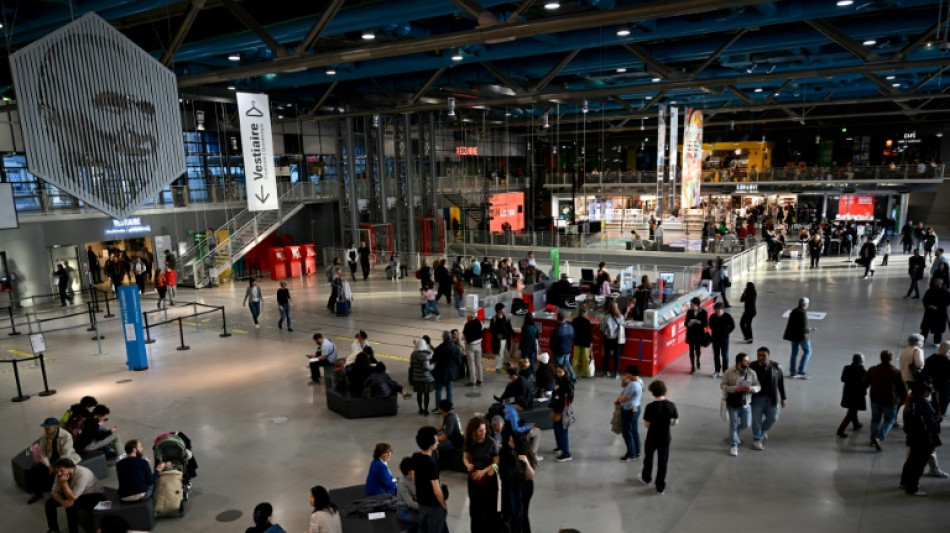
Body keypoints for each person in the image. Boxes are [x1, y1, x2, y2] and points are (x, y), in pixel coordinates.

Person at [900, 381, 942, 496]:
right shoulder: (924, 405)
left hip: (913, 436)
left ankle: (904, 482)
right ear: (924, 392)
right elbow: (930, 424)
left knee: (911, 461)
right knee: (919, 464)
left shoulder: (910, 401)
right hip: (923, 438)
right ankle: (912, 488)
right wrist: (938, 420)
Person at [638, 380, 679, 494]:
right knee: (663, 461)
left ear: (652, 392)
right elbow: (676, 421)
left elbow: (646, 424)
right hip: (665, 437)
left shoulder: (650, 407)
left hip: (652, 436)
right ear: (664, 391)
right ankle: (660, 486)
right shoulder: (671, 405)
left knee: (649, 457)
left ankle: (646, 478)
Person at [30, 417, 82, 504]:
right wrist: (48, 465)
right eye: (45, 428)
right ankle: (38, 494)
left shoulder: (66, 436)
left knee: (62, 472)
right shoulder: (44, 436)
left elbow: (66, 454)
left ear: (55, 427)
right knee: (35, 469)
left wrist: (55, 467)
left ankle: (62, 494)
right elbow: (42, 453)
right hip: (51, 460)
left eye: (48, 428)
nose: (46, 430)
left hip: (65, 459)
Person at [45, 458, 105, 533]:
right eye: (57, 471)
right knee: (49, 503)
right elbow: (54, 492)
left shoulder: (82, 473)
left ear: (70, 467)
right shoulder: (60, 474)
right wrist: (62, 501)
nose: (59, 474)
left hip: (92, 494)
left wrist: (63, 483)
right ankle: (54, 529)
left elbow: (72, 498)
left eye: (61, 470)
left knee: (70, 506)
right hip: (72, 491)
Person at [865, 349, 907, 451]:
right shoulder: (895, 371)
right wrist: (903, 398)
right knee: (889, 420)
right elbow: (903, 387)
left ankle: (872, 439)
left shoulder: (872, 369)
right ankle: (879, 437)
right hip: (890, 400)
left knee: (875, 419)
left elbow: (865, 382)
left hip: (875, 399)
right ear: (891, 359)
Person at [462, 416, 499, 531]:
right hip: (474, 478)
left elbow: (496, 462)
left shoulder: (491, 442)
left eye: (484, 429)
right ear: (474, 431)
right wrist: (468, 465)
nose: (484, 432)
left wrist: (485, 471)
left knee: (489, 509)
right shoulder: (469, 441)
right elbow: (465, 457)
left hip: (488, 477)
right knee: (475, 509)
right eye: (480, 430)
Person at [721, 353, 761, 456]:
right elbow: (722, 386)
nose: (748, 362)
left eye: (748, 360)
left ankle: (733, 435)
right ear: (739, 362)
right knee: (733, 425)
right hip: (733, 404)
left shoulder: (752, 373)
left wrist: (752, 389)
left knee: (746, 424)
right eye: (745, 361)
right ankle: (734, 445)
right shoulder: (729, 372)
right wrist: (735, 388)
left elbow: (758, 386)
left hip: (746, 403)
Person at [748, 346, 786, 450]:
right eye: (759, 355)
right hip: (757, 398)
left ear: (768, 356)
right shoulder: (752, 367)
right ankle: (757, 439)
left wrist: (783, 398)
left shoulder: (776, 367)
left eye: (763, 355)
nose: (761, 357)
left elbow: (781, 383)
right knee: (756, 420)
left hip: (771, 398)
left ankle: (763, 430)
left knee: (773, 417)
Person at [413, 427, 448, 532]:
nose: (437, 442)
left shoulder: (415, 456)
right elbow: (437, 491)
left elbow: (414, 480)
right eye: (436, 440)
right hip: (433, 505)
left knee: (423, 528)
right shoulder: (431, 463)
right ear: (430, 444)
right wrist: (443, 505)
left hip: (421, 502)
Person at [783, 297, 816, 379]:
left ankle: (792, 372)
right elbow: (804, 328)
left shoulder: (794, 311)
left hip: (793, 336)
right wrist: (810, 329)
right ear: (806, 304)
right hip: (802, 337)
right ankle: (801, 370)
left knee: (794, 353)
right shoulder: (803, 313)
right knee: (808, 351)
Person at [615, 365, 643, 462]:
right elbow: (623, 386)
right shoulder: (639, 381)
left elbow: (624, 398)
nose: (626, 374)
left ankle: (631, 454)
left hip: (629, 410)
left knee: (627, 432)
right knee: (634, 431)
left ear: (631, 374)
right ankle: (637, 451)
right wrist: (623, 381)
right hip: (636, 407)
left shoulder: (633, 385)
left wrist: (618, 400)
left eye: (627, 373)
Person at [837, 354, 868, 438]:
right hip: (857, 394)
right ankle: (840, 430)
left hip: (848, 392)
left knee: (852, 409)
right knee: (851, 412)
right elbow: (865, 383)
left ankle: (856, 424)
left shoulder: (847, 368)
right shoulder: (862, 370)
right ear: (861, 361)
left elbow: (843, 379)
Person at [551, 365, 575, 462]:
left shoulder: (567, 382)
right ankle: (560, 446)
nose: (558, 374)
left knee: (563, 430)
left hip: (563, 410)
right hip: (557, 409)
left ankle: (566, 453)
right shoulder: (558, 380)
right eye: (557, 371)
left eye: (560, 372)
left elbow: (570, 395)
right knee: (557, 428)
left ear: (565, 372)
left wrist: (559, 389)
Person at [433, 331, 462, 405]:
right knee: (449, 391)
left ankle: (439, 407)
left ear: (443, 338)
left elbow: (433, 360)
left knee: (438, 390)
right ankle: (449, 407)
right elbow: (459, 362)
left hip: (440, 372)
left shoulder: (438, 349)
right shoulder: (456, 349)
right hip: (451, 372)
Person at [923, 340, 950, 417]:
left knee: (935, 398)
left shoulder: (931, 358)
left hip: (933, 384)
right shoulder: (947, 363)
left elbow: (925, 371)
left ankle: (934, 410)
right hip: (945, 386)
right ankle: (940, 412)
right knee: (945, 400)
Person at [708, 302, 735, 379]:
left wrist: (727, 333)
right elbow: (710, 325)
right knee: (716, 355)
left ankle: (725, 371)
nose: (717, 312)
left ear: (722, 310)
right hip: (715, 339)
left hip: (724, 339)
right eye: (716, 310)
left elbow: (733, 326)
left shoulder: (727, 316)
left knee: (725, 355)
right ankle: (717, 370)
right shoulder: (712, 317)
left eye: (719, 310)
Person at [920, 278, 950, 345]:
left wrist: (937, 307)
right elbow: (925, 299)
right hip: (929, 313)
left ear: (940, 283)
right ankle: (921, 341)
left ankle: (937, 342)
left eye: (937, 282)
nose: (935, 283)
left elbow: (947, 302)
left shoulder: (945, 292)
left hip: (939, 314)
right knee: (925, 328)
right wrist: (928, 305)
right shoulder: (930, 290)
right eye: (935, 281)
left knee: (938, 329)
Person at [600, 301, 626, 379]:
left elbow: (602, 328)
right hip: (617, 339)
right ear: (617, 308)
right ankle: (616, 373)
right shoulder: (620, 316)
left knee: (606, 355)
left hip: (608, 338)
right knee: (616, 356)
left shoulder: (606, 317)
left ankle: (606, 372)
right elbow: (623, 325)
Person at [410, 339, 435, 415]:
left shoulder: (413, 354)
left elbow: (412, 365)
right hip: (425, 378)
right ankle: (426, 410)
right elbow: (426, 367)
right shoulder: (425, 356)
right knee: (426, 394)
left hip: (416, 377)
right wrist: (433, 365)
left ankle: (420, 409)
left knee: (419, 394)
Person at [550, 311, 576, 382]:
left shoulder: (557, 329)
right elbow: (573, 337)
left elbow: (553, 341)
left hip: (559, 351)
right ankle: (573, 376)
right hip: (567, 350)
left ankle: (558, 380)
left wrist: (552, 348)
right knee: (567, 363)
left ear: (557, 319)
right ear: (565, 318)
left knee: (558, 366)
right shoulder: (570, 327)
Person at [684, 297, 708, 375]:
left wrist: (699, 322)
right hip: (691, 333)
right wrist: (688, 324)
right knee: (691, 350)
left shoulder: (703, 312)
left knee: (697, 349)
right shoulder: (689, 312)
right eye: (690, 305)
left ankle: (698, 359)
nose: (691, 306)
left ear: (697, 305)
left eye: (692, 305)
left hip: (699, 333)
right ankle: (692, 367)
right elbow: (685, 323)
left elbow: (705, 324)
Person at [490, 303, 515, 370]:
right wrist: (497, 334)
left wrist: (513, 334)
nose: (504, 310)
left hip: (506, 339)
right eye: (503, 308)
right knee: (499, 354)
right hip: (498, 340)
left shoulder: (505, 318)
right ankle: (498, 367)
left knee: (506, 352)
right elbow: (491, 330)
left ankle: (506, 363)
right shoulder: (494, 319)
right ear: (499, 310)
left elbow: (509, 327)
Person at [462, 311, 484, 386]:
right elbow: (482, 330)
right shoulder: (480, 323)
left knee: (471, 363)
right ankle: (480, 380)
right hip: (478, 345)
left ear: (469, 316)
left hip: (470, 346)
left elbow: (464, 336)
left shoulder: (467, 325)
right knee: (478, 363)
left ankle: (472, 381)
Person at [395, 457, 419, 525]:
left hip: (415, 507)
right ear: (410, 471)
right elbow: (410, 503)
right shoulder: (402, 483)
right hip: (404, 512)